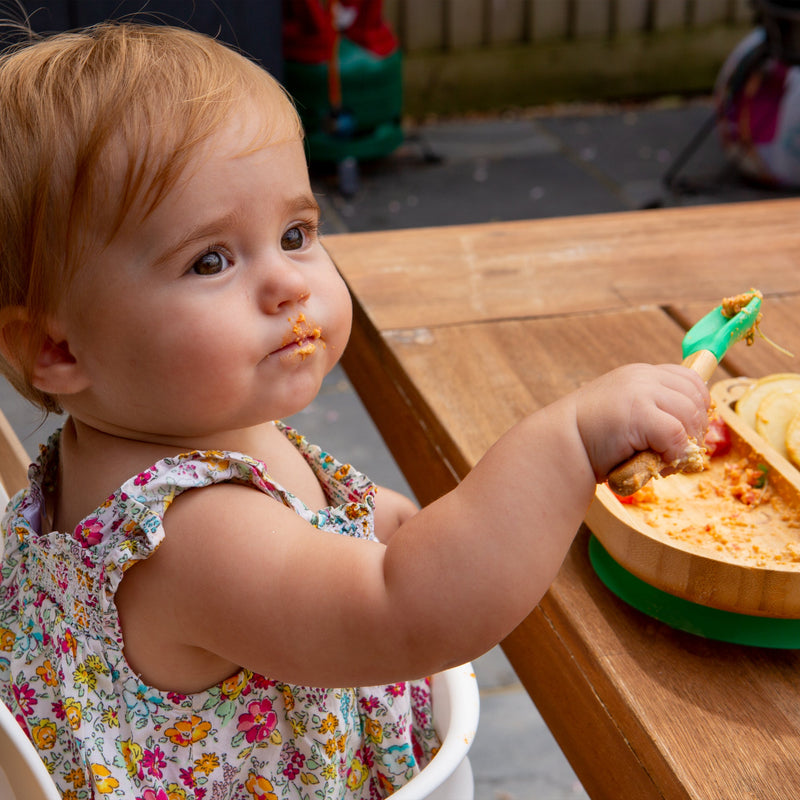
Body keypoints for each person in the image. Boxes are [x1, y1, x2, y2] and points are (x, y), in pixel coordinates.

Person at [0, 21, 710, 800]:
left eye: (296, 233)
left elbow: (309, 518)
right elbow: (407, 612)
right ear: (59, 351)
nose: (289, 285)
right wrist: (567, 444)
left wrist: (383, 519)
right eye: (211, 259)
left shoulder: (164, 428)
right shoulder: (188, 534)